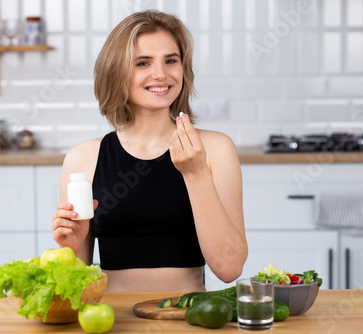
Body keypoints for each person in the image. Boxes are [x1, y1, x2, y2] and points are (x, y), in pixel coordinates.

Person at [52, 10, 248, 292]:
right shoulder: (83, 158)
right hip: (112, 320)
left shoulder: (215, 149)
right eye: (143, 63)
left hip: (187, 316)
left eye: (171, 60)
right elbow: (73, 285)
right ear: (117, 71)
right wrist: (70, 249)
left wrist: (196, 174)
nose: (161, 74)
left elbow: (229, 269)